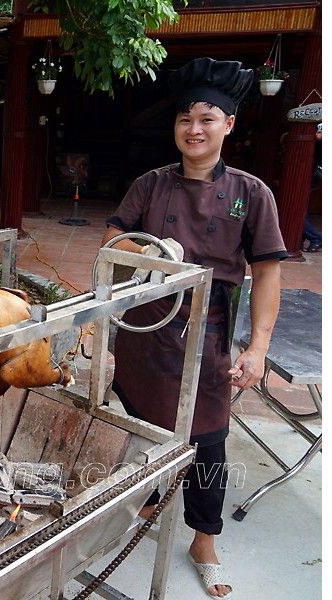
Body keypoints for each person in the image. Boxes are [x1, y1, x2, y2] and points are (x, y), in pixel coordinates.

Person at [101, 57, 287, 598]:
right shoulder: (150, 185)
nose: (194, 129)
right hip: (145, 328)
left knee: (207, 441)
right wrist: (148, 253)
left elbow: (267, 273)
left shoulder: (252, 193)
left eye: (207, 119)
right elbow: (113, 239)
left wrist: (258, 347)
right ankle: (151, 497)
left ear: (229, 124)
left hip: (205, 335)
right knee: (141, 424)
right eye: (185, 119)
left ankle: (204, 538)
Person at [302, 122, 322, 252]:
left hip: (313, 175)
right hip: (312, 174)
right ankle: (303, 238)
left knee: (297, 210)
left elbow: (319, 136)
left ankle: (315, 238)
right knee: (301, 208)